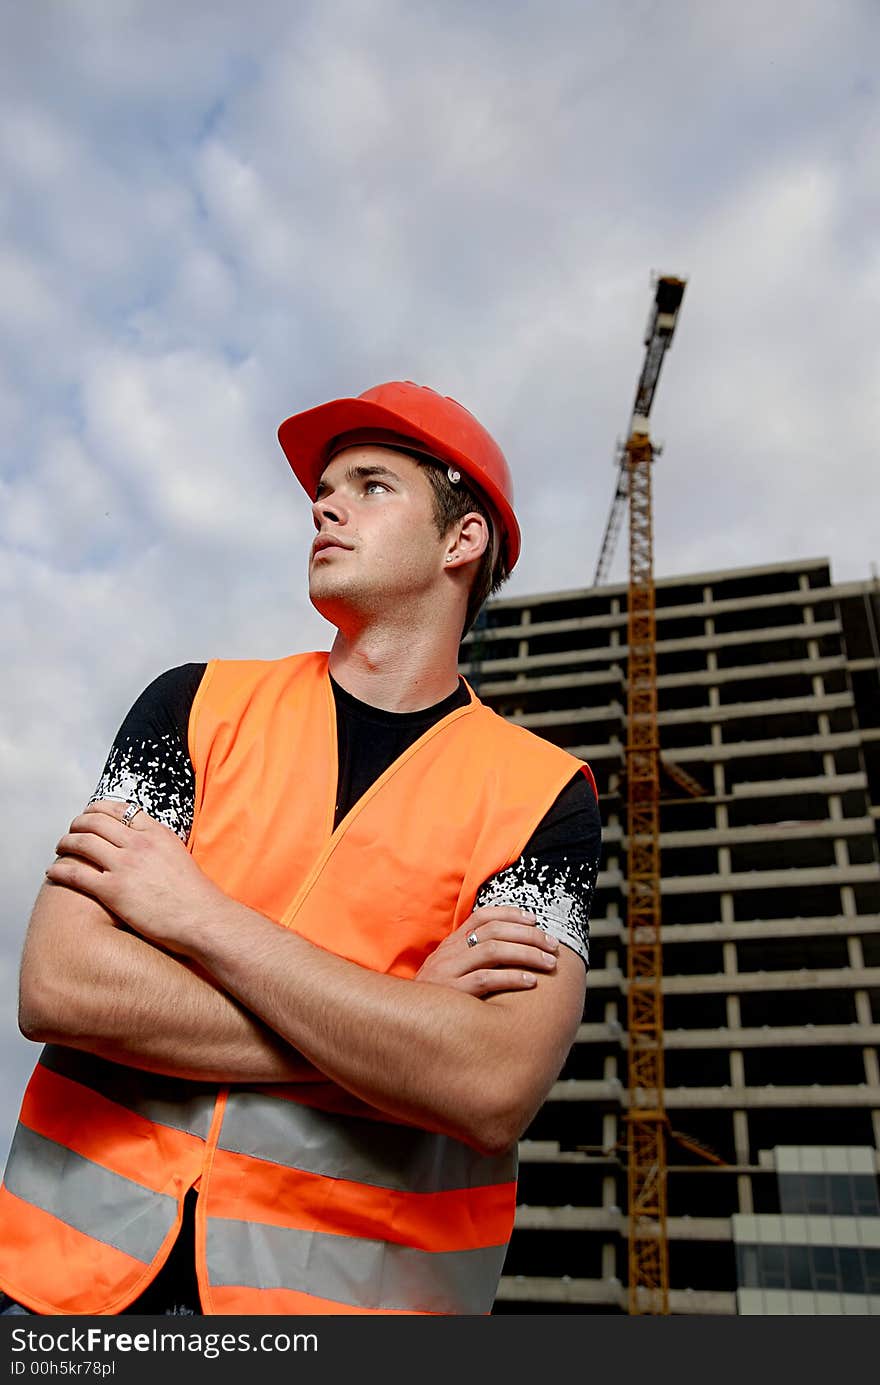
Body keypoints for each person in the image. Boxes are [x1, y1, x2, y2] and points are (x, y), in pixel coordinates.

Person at [0, 380, 600, 1316]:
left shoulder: (542, 797)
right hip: (58, 1286)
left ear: (462, 539)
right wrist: (398, 1035)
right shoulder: (193, 706)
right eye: (325, 487)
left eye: (370, 485)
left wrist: (197, 917)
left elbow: (488, 1085)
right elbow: (62, 984)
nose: (323, 503)